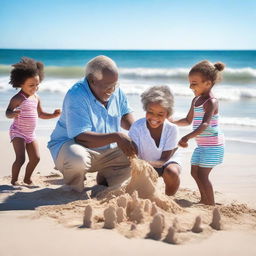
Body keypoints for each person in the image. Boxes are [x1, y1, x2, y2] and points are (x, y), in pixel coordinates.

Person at [47, 55, 136, 192]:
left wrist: (141, 132)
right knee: (77, 159)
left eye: (115, 84)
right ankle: (73, 189)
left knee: (137, 151)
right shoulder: (76, 94)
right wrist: (117, 136)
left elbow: (125, 116)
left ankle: (105, 178)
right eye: (108, 86)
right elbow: (82, 138)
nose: (113, 90)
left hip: (106, 149)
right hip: (74, 147)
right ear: (92, 80)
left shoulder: (116, 90)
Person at [171, 60, 225, 205]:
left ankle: (210, 204)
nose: (190, 86)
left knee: (202, 175)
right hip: (202, 146)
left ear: (207, 83)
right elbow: (188, 120)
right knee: (194, 173)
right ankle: (204, 199)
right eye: (190, 83)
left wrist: (187, 137)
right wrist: (173, 121)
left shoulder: (211, 102)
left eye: (194, 83)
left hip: (213, 146)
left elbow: (205, 124)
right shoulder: (196, 100)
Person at [6, 57, 61, 185]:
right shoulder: (17, 98)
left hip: (30, 134)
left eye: (37, 85)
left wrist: (53, 115)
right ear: (20, 83)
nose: (35, 88)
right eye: (31, 85)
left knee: (36, 158)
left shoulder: (36, 97)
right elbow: (7, 112)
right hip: (18, 132)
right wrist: (12, 114)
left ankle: (27, 178)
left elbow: (40, 114)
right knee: (20, 159)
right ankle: (14, 181)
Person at [128, 85, 181, 196]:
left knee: (172, 172)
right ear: (146, 108)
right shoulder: (137, 127)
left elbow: (164, 159)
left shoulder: (172, 129)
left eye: (160, 114)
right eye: (150, 112)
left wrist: (145, 165)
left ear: (168, 114)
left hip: (166, 162)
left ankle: (168, 197)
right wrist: (142, 166)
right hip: (144, 162)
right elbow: (134, 157)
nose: (154, 118)